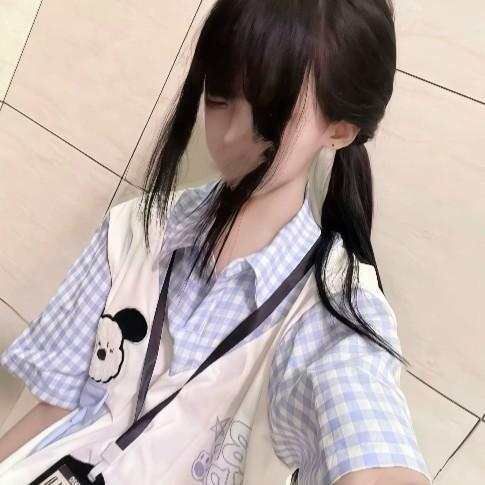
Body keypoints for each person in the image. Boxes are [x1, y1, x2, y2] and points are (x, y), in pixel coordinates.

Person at [0, 0, 432, 483]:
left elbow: (364, 424)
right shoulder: (133, 230)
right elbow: (54, 407)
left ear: (339, 129)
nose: (228, 135)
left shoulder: (331, 310)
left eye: (268, 114)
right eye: (220, 97)